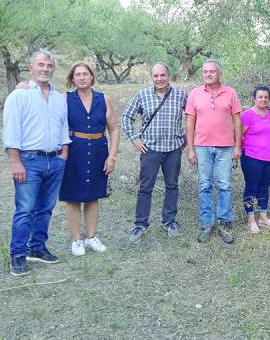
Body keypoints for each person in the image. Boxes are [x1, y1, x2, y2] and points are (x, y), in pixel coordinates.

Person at [3, 50, 71, 276]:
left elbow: (63, 128)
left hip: (55, 161)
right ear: (30, 68)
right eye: (40, 64)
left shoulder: (59, 98)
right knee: (25, 210)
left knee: (46, 209)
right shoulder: (19, 96)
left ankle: (38, 247)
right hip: (29, 161)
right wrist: (15, 162)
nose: (45, 69)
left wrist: (63, 155)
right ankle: (18, 255)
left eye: (49, 65)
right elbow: (11, 131)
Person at [122, 63, 187, 243]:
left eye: (163, 75)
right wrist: (135, 138)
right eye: (156, 76)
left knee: (172, 185)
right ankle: (140, 224)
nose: (159, 79)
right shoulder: (142, 95)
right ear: (152, 77)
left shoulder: (181, 95)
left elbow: (193, 115)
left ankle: (169, 221)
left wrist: (187, 137)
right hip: (150, 149)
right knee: (145, 187)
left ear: (169, 76)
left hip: (173, 149)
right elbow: (127, 116)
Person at [60, 62, 120, 256]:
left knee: (93, 196)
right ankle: (76, 240)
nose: (82, 77)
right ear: (72, 79)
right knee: (73, 197)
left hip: (97, 151)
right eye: (77, 75)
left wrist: (111, 156)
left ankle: (91, 237)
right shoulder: (65, 99)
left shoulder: (103, 99)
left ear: (92, 77)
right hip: (73, 151)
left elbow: (114, 129)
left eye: (85, 74)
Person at [186, 59, 241, 244]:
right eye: (205, 71)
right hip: (202, 147)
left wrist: (237, 146)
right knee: (204, 185)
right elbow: (190, 123)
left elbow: (237, 121)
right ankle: (207, 224)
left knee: (224, 185)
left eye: (212, 71)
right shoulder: (195, 94)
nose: (208, 74)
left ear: (219, 74)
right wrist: (190, 149)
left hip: (225, 147)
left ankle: (224, 223)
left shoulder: (230, 93)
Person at [240, 86, 270, 233]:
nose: (263, 100)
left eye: (266, 97)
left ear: (269, 99)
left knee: (264, 188)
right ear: (254, 98)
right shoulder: (247, 115)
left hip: (269, 158)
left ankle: (263, 217)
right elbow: (239, 136)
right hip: (251, 158)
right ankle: (251, 220)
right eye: (260, 97)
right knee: (252, 187)